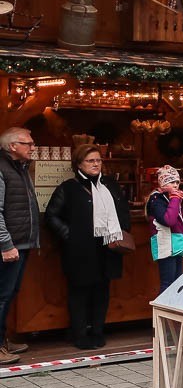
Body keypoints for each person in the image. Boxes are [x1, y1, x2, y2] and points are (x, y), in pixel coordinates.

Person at [46, 144, 131, 349]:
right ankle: (80, 335)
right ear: (78, 164)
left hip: (107, 246)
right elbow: (51, 216)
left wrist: (120, 232)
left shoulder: (110, 184)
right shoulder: (68, 188)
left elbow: (123, 211)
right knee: (79, 291)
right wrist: (70, 235)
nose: (95, 164)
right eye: (90, 161)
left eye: (98, 160)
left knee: (102, 291)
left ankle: (98, 332)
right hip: (80, 250)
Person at [0, 127, 40, 364]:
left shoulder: (20, 168)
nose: (33, 147)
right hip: (9, 245)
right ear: (12, 146)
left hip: (22, 243)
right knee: (2, 296)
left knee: (9, 294)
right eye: (28, 143)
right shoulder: (2, 168)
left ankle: (3, 340)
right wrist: (5, 244)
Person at [146, 165, 183, 294]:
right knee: (168, 284)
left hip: (177, 245)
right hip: (166, 246)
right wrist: (175, 199)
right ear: (163, 183)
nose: (176, 185)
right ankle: (164, 306)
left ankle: (174, 305)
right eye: (171, 182)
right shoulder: (157, 199)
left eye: (177, 182)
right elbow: (168, 221)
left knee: (177, 282)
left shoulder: (174, 198)